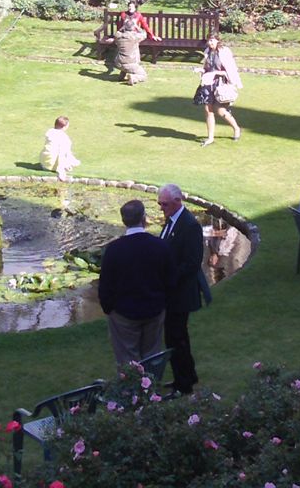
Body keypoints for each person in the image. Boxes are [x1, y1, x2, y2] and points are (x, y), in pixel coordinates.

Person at [98, 199, 176, 368]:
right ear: (144, 218)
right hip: (154, 310)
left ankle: (131, 392)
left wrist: (108, 308)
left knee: (127, 359)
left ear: (123, 220)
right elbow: (170, 280)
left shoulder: (114, 249)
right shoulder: (160, 246)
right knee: (152, 356)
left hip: (123, 313)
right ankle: (151, 390)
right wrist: (163, 303)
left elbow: (105, 285)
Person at [157, 183, 205, 395]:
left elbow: (193, 263)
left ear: (178, 201)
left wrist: (168, 277)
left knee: (176, 338)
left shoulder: (189, 225)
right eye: (159, 203)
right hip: (172, 292)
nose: (161, 208)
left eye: (164, 204)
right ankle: (186, 376)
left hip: (180, 293)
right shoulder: (172, 221)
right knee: (176, 337)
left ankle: (184, 384)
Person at [197, 34, 243, 146]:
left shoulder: (224, 51)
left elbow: (230, 71)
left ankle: (236, 128)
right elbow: (207, 68)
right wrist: (201, 70)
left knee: (220, 110)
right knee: (208, 110)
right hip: (209, 83)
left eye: (212, 40)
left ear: (217, 40)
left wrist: (216, 73)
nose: (210, 43)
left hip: (222, 84)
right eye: (208, 41)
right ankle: (210, 138)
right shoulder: (208, 51)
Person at [40, 116, 81, 181]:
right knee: (70, 158)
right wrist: (61, 170)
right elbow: (62, 153)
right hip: (51, 167)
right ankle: (64, 167)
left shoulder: (49, 132)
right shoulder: (64, 138)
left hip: (44, 165)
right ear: (64, 126)